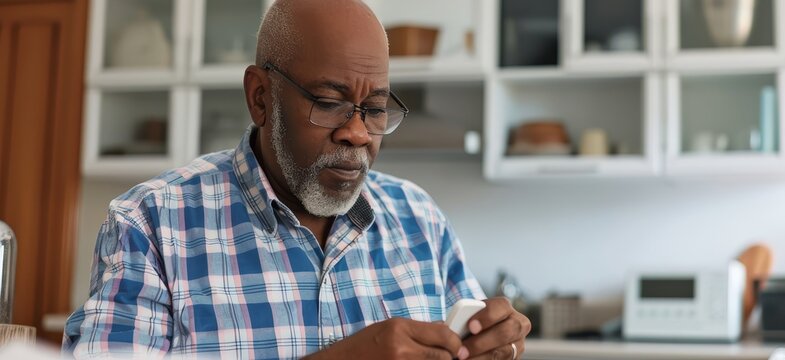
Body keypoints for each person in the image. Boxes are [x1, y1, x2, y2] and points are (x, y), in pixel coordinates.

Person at [63, 0, 531, 358]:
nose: (357, 133)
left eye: (374, 109)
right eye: (328, 102)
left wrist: (492, 341)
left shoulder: (420, 220)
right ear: (260, 97)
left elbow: (472, 340)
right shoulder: (150, 225)